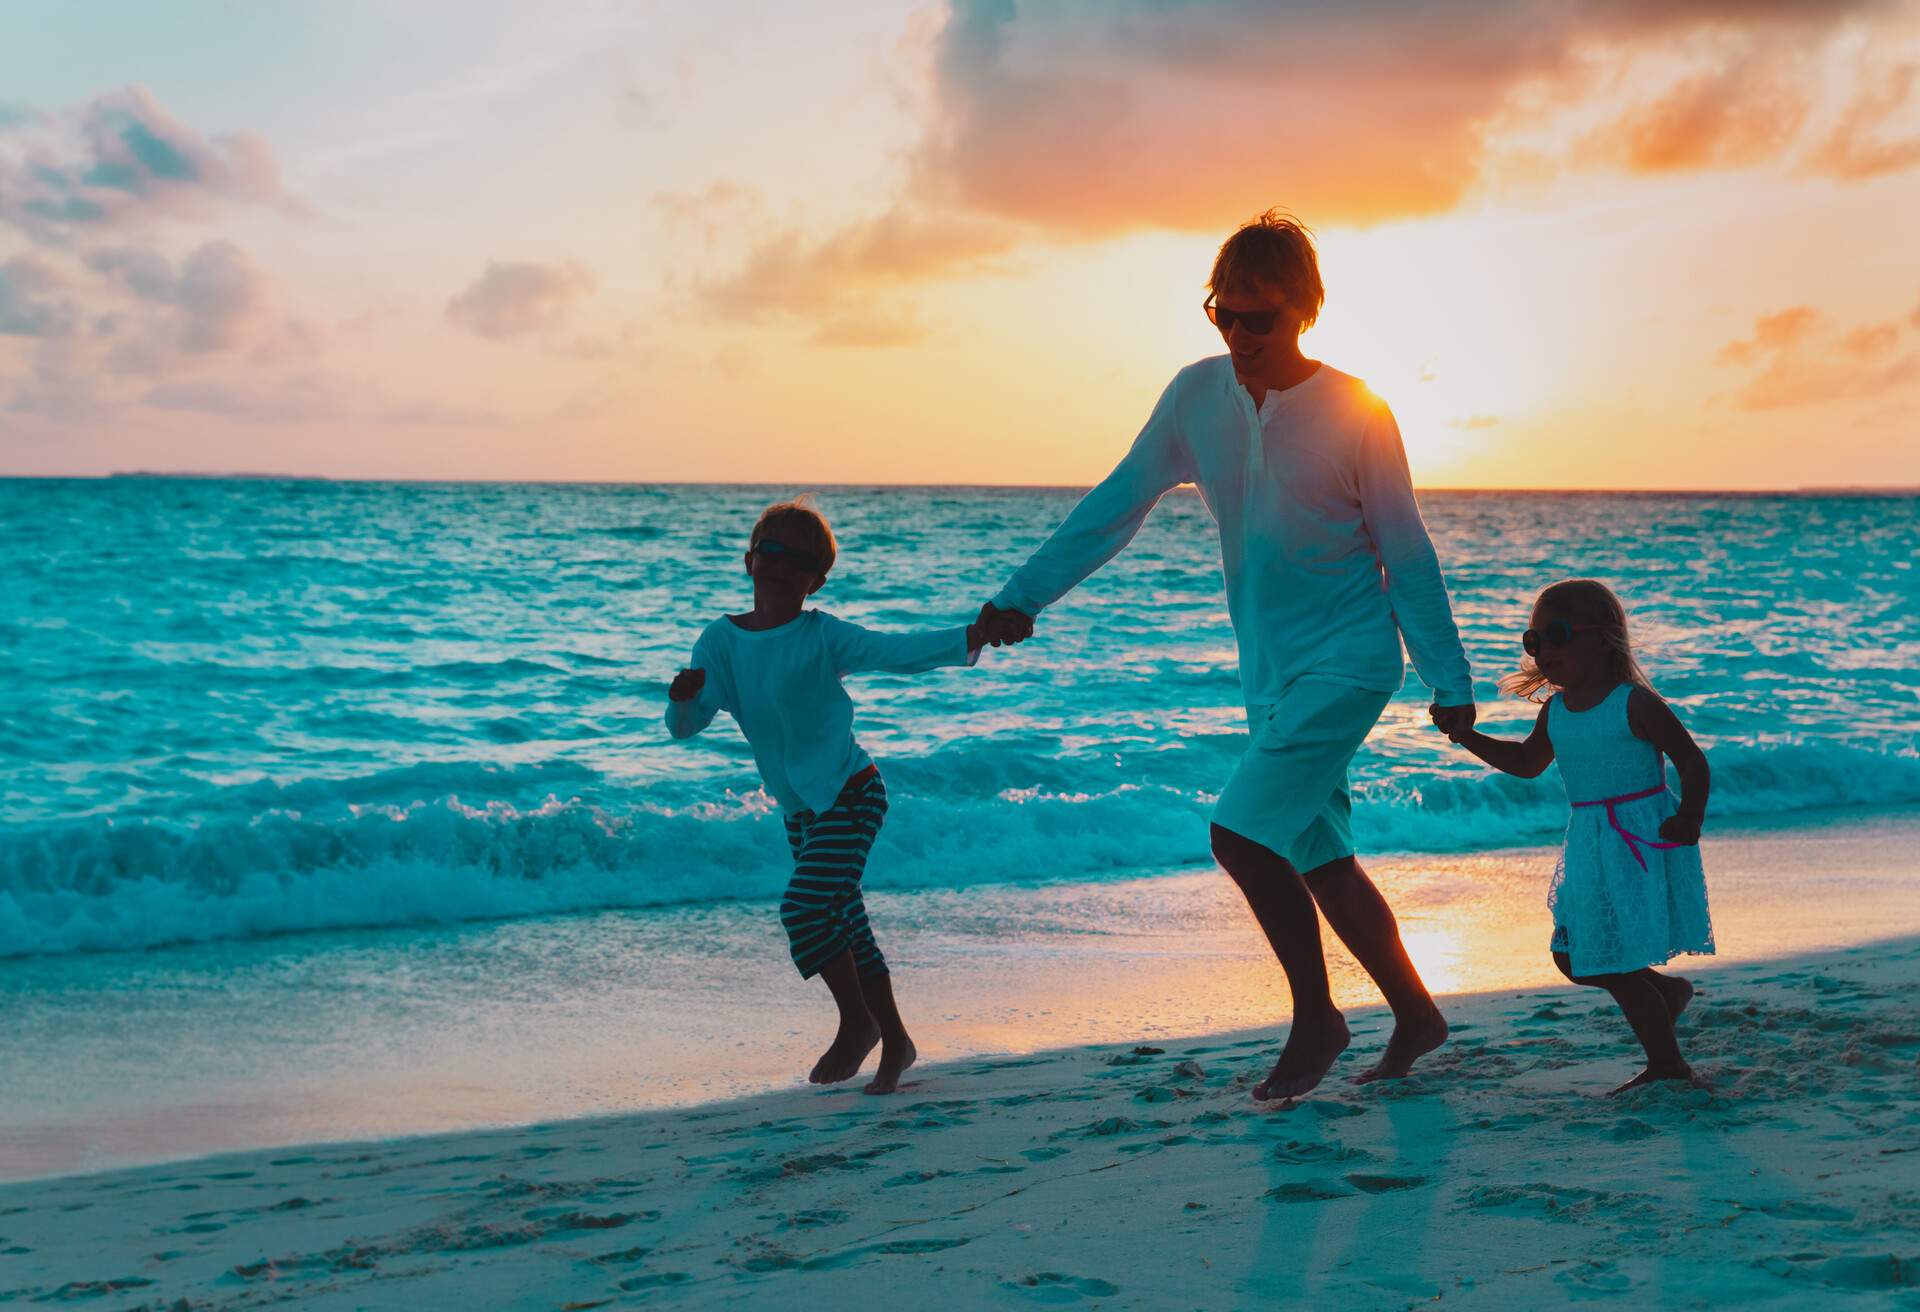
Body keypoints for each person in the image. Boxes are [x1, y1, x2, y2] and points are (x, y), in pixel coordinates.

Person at [978, 211, 1473, 1100]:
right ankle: (1416, 1012)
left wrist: (1450, 678)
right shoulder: (1195, 396)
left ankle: (1317, 1019)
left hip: (1352, 661)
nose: (1239, 335)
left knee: (1240, 835)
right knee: (1320, 856)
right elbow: (1116, 504)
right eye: (1222, 314)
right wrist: (1022, 598)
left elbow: (1408, 549)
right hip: (1268, 672)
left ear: (1306, 310)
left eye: (1260, 318)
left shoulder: (1358, 411)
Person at [667, 497, 989, 1095]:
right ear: (749, 560)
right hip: (800, 812)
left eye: (800, 558)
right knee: (847, 924)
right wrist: (683, 698)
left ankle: (857, 1023)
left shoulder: (822, 635)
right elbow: (687, 726)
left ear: (817, 580)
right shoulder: (720, 642)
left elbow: (897, 652)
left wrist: (971, 636)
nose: (781, 563)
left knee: (806, 909)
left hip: (852, 793)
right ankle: (897, 1041)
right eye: (771, 550)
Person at [1434, 578, 1714, 1093]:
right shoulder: (1555, 710)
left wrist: (1690, 816)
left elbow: (1692, 763)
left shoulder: (1634, 703)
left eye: (1557, 635)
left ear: (1602, 637)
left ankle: (1667, 1062)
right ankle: (1666, 996)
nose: (1544, 650)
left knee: (1611, 957)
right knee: (1573, 956)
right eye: (1533, 640)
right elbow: (1525, 762)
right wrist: (1466, 736)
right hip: (1589, 842)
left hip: (1640, 842)